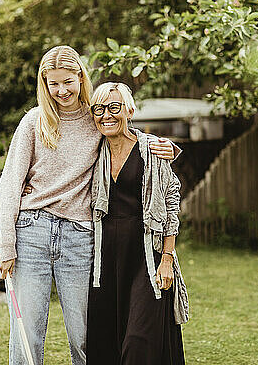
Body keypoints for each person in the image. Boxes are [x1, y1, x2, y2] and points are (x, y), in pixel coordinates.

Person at [0, 45, 178, 365]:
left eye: (68, 81)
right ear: (44, 84)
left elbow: (130, 138)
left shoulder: (95, 120)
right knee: (28, 333)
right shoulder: (34, 122)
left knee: (85, 335)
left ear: (81, 77)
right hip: (32, 230)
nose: (62, 90)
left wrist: (168, 148)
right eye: (53, 83)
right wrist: (7, 243)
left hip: (79, 237)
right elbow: (10, 184)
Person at [86, 82, 189, 365]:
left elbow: (170, 203)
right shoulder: (92, 153)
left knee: (139, 342)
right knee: (106, 342)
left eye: (114, 107)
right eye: (99, 108)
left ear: (129, 111)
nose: (106, 114)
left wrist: (167, 257)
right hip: (104, 262)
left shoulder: (151, 150)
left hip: (145, 257)